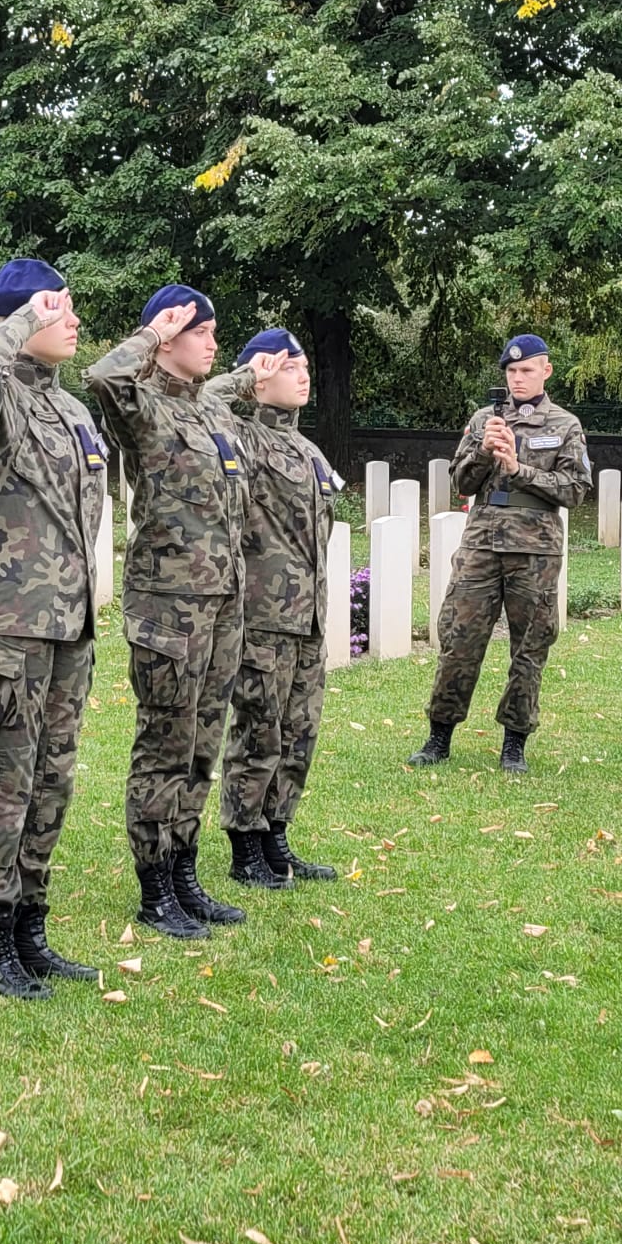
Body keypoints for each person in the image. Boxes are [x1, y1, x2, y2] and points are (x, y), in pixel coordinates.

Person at [0, 258, 107, 1000]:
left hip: (67, 626)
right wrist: (19, 318)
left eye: (68, 307)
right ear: (18, 318)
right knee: (5, 787)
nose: (70, 319)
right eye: (55, 307)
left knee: (51, 781)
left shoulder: (71, 410)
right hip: (5, 628)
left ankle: (32, 930)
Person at [85, 285, 249, 937]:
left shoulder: (208, 409)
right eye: (200, 331)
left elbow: (230, 390)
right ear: (169, 337)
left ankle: (184, 874)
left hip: (223, 600)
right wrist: (153, 332)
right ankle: (155, 889)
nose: (213, 343)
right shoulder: (144, 406)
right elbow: (104, 376)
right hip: (169, 604)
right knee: (166, 742)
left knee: (203, 743)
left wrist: (253, 373)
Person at [407, 335, 591, 774]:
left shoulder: (564, 425)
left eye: (526, 370)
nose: (517, 378)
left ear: (546, 371)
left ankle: (514, 743)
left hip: (535, 551)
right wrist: (484, 451)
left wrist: (518, 470)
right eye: (511, 371)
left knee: (529, 646)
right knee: (459, 640)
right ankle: (439, 736)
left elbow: (575, 490)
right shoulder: (484, 420)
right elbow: (462, 483)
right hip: (482, 546)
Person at [202, 328, 344, 887]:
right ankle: (245, 844)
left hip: (308, 616)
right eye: (288, 367)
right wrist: (246, 378)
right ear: (261, 378)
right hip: (263, 616)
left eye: (304, 365)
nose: (303, 375)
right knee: (258, 731)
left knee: (298, 731)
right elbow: (203, 401)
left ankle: (277, 835)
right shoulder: (243, 438)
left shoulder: (309, 451)